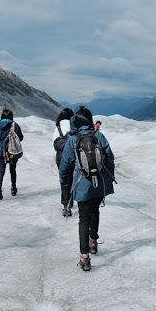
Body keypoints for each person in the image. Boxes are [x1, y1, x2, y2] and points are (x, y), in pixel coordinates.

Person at [59, 106, 115, 271]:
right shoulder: (99, 135)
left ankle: (85, 257)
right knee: (95, 211)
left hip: (82, 184)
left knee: (83, 218)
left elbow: (65, 166)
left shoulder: (73, 139)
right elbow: (110, 158)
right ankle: (93, 242)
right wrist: (108, 179)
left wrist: (65, 182)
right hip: (98, 185)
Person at [0, 108, 24, 200]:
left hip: (1, 151)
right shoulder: (15, 125)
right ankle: (13, 188)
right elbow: (21, 138)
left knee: (1, 171)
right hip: (12, 151)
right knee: (12, 170)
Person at [53, 108, 74, 216]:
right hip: (73, 156)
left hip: (61, 157)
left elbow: (55, 144)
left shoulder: (58, 126)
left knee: (64, 180)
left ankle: (66, 207)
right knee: (73, 178)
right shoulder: (73, 124)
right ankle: (73, 199)